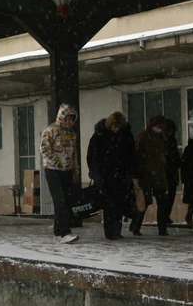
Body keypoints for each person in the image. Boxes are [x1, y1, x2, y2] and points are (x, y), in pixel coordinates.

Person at [86, 112, 137, 240]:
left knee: (118, 205)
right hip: (106, 176)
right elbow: (92, 156)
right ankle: (110, 231)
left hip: (119, 175)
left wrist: (131, 173)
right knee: (109, 205)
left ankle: (116, 230)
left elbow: (132, 156)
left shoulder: (124, 136)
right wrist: (95, 173)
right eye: (114, 126)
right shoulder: (100, 136)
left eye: (118, 127)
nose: (116, 129)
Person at [39, 104, 80, 244]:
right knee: (60, 200)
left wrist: (75, 169)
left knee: (65, 201)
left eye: (71, 120)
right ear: (62, 117)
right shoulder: (51, 130)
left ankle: (58, 231)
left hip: (67, 171)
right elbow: (44, 149)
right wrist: (55, 162)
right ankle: (64, 232)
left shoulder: (72, 134)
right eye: (68, 119)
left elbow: (74, 154)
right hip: (53, 171)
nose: (69, 122)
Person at [133, 115, 170, 236]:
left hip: (157, 174)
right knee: (144, 202)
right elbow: (138, 155)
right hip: (147, 174)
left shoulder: (161, 137)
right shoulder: (144, 136)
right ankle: (136, 226)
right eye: (159, 127)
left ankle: (162, 228)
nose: (160, 129)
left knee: (161, 202)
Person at [163, 119, 182, 225]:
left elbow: (174, 156)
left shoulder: (171, 141)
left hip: (171, 171)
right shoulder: (163, 140)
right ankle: (164, 217)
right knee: (166, 197)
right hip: (166, 172)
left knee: (170, 196)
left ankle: (166, 216)